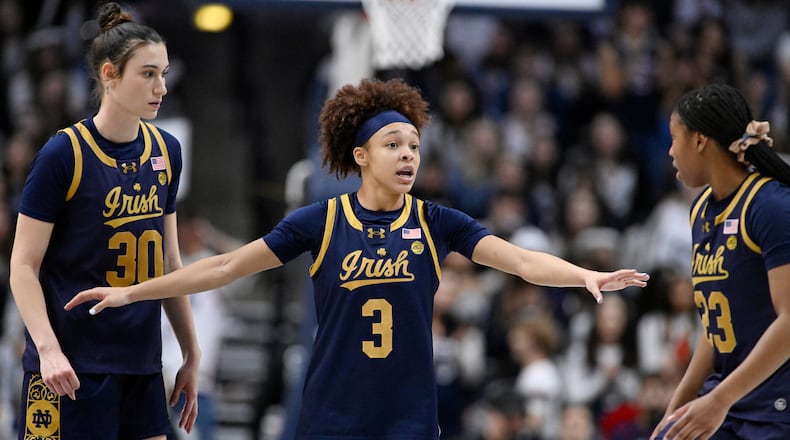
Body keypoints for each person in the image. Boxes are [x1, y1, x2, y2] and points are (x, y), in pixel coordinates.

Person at [65, 77, 649, 439]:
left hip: (410, 417)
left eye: (415, 147)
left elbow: (520, 261)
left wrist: (583, 275)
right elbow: (222, 267)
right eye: (394, 145)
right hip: (333, 415)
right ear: (362, 155)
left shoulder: (435, 220)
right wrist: (133, 292)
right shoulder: (320, 221)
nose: (408, 156)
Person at [9, 3, 199, 439]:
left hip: (140, 362)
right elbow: (23, 265)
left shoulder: (166, 151)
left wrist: (190, 352)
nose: (161, 87)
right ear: (110, 75)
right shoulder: (63, 154)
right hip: (69, 367)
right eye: (148, 74)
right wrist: (49, 349)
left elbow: (170, 264)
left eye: (164, 73)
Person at [652, 82, 790, 439]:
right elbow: (716, 330)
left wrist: (719, 400)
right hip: (728, 400)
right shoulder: (700, 210)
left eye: (674, 139)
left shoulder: (770, 206)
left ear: (700, 141)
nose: (670, 152)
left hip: (774, 406)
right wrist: (675, 409)